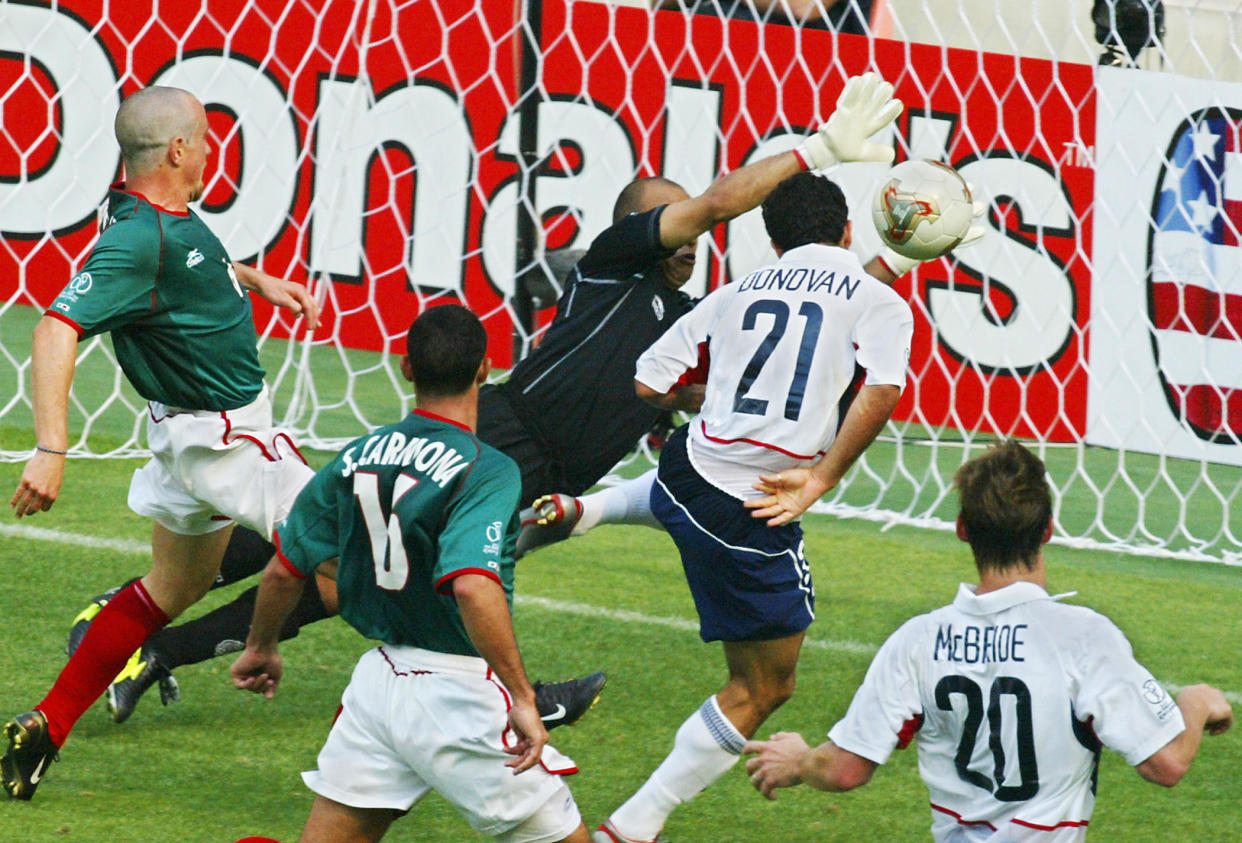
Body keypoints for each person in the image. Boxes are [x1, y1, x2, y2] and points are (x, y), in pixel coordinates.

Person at [67, 71, 909, 721]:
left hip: (550, 475)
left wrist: (900, 257)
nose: (690, 235)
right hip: (503, 432)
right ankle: (503, 699)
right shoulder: (618, 262)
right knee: (345, 561)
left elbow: (814, 324)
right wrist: (818, 150)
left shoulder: (696, 317)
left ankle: (146, 638)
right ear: (637, 225)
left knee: (362, 553)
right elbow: (718, 203)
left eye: (689, 225)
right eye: (673, 219)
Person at [2, 85, 321, 801]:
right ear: (179, 149)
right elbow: (55, 328)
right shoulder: (137, 238)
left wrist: (252, 280)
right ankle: (484, 710)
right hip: (230, 437)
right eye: (205, 139)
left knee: (170, 588)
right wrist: (50, 446)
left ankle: (46, 725)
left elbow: (186, 270)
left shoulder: (148, 216)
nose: (210, 151)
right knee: (363, 546)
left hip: (184, 440)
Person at [592, 170, 915, 843]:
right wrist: (821, 477)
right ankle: (635, 824)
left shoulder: (733, 292)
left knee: (679, 507)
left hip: (686, 472)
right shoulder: (877, 299)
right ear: (847, 232)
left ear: (772, 241)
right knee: (763, 686)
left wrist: (710, 399)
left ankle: (588, 509)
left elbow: (648, 380)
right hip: (751, 510)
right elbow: (881, 390)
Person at [743, 441, 1233, 840]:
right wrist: (1195, 702)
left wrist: (800, 761)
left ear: (962, 531)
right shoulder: (1084, 637)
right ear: (1047, 530)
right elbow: (1166, 763)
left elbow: (845, 770)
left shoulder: (917, 641)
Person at [229, 305, 590, 843]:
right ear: (485, 369)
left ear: (406, 369)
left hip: (377, 689)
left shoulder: (358, 454)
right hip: (458, 695)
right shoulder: (484, 467)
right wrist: (521, 696)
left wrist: (261, 645)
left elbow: (284, 569)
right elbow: (471, 582)